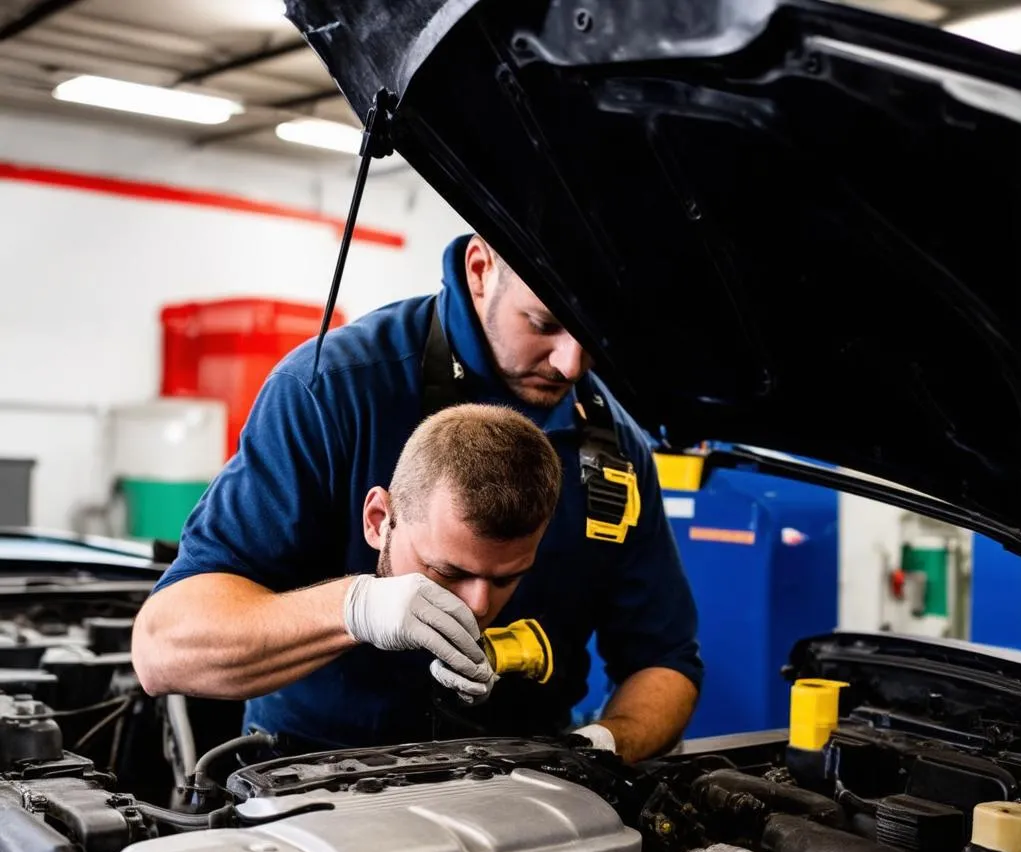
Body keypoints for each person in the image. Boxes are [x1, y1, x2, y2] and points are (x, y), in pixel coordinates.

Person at [132, 234, 703, 763]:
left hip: (521, 793)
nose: (570, 363)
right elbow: (164, 648)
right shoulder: (334, 390)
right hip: (311, 783)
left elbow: (666, 660)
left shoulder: (614, 450)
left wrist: (596, 751)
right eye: (543, 323)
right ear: (481, 271)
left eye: (594, 334)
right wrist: (356, 609)